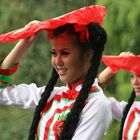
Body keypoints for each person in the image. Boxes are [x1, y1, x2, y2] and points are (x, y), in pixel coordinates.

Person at [0, 5, 112, 140]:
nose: (57, 61)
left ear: (88, 55)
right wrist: (25, 42)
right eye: (54, 53)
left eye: (65, 53)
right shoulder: (51, 96)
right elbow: (2, 91)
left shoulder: (97, 105)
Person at [100, 52, 140, 140]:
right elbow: (88, 92)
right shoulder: (130, 110)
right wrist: (116, 65)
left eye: (139, 76)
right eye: (132, 76)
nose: (135, 82)